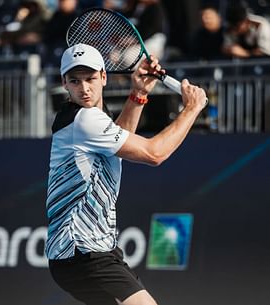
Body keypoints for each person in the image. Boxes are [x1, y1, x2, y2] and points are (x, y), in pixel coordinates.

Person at [46, 43, 207, 305]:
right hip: (82, 252)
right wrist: (191, 109)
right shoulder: (84, 120)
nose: (84, 88)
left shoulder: (88, 118)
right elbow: (155, 153)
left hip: (85, 253)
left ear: (104, 77)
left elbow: (118, 143)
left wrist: (138, 94)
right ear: (64, 83)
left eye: (90, 79)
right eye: (75, 81)